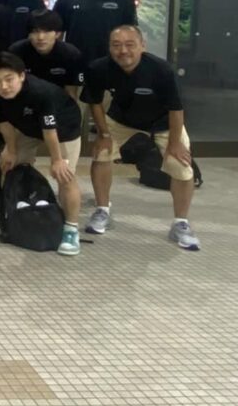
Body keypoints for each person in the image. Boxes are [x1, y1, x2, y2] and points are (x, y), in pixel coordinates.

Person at [81, 25, 200, 250]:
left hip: (164, 123)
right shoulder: (99, 68)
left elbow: (176, 109)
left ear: (142, 46)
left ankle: (181, 224)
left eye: (130, 45)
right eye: (116, 45)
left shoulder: (161, 70)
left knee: (182, 166)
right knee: (102, 154)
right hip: (121, 120)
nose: (123, 51)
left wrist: (175, 143)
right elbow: (94, 103)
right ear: (109, 48)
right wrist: (103, 134)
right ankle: (102, 210)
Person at [0, 52, 83, 256]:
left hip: (63, 128)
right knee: (7, 164)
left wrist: (57, 160)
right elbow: (4, 123)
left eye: (9, 79)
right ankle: (10, 219)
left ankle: (71, 230)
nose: (3, 86)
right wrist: (11, 150)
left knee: (64, 175)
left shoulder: (40, 92)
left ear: (22, 76)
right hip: (27, 127)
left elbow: (49, 131)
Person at [9, 10, 85, 97]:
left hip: (57, 99)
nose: (40, 37)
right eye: (35, 31)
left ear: (57, 34)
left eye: (46, 31)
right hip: (24, 97)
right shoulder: (16, 52)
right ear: (29, 34)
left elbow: (71, 92)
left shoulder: (71, 54)